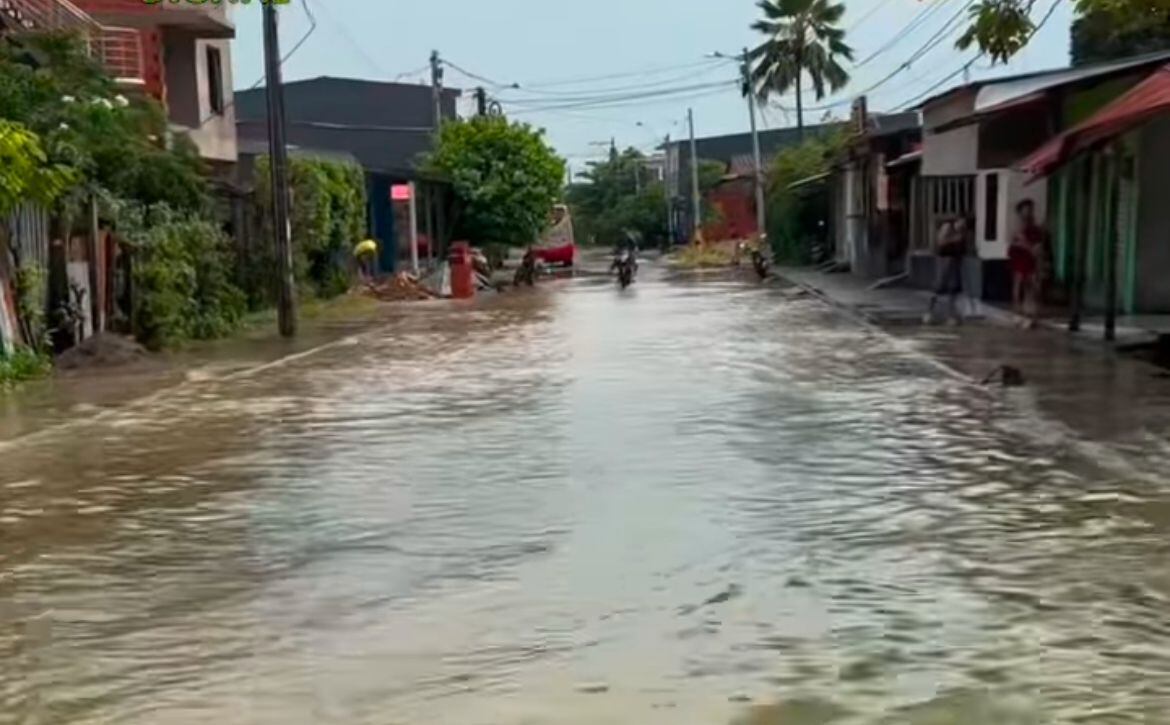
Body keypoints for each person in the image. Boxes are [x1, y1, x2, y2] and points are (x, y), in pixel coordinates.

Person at [924, 217, 966, 325]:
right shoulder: (948, 228)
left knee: (953, 289)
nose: (961, 226)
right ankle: (929, 312)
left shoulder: (961, 232)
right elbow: (940, 242)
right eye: (961, 223)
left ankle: (951, 315)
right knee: (939, 287)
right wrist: (954, 239)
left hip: (955, 261)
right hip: (944, 260)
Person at [1010, 199, 1045, 328]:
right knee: (1019, 286)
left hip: (1031, 261)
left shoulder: (1035, 228)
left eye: (1030, 209)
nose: (1028, 212)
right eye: (1025, 210)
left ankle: (1030, 314)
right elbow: (1016, 242)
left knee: (1032, 287)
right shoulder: (1018, 227)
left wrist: (1035, 251)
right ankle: (1019, 314)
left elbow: (1039, 245)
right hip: (1020, 259)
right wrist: (1030, 248)